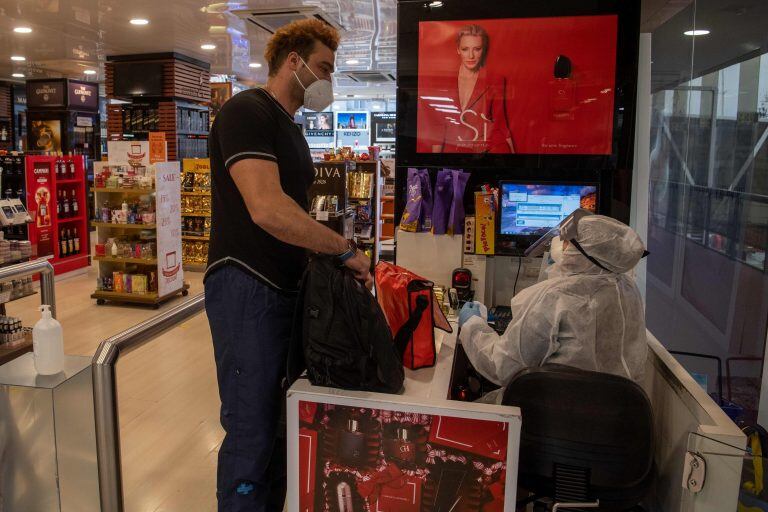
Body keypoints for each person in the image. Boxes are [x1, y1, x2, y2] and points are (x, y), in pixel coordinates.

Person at [204, 19, 372, 512]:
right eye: (322, 67)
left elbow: (294, 210)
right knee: (252, 429)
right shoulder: (245, 112)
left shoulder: (287, 125)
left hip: (282, 291)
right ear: (293, 62)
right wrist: (341, 248)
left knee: (281, 428)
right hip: (247, 286)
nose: (327, 80)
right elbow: (269, 209)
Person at [458, 216, 648, 403]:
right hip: (613, 416)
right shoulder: (628, 289)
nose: (560, 246)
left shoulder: (556, 297)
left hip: (547, 414)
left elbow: (501, 367)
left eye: (566, 242)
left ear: (583, 254)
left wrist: (473, 325)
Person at [420, 24, 514, 154]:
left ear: (483, 50)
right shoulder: (443, 81)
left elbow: (501, 122)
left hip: (485, 151)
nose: (471, 55)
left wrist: (514, 159)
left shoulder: (495, 79)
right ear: (458, 49)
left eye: (477, 49)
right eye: (465, 49)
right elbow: (438, 125)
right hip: (454, 153)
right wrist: (434, 163)